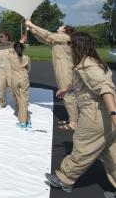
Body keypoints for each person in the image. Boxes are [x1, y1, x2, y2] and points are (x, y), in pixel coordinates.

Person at [45, 32, 116, 196]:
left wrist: (114, 115)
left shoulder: (88, 65)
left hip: (95, 115)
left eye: (71, 44)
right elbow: (83, 80)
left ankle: (64, 179)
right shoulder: (91, 62)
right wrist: (67, 88)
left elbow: (106, 89)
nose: (68, 47)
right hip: (103, 118)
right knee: (110, 154)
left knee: (83, 147)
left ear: (78, 46)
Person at [25, 20, 78, 131]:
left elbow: (48, 34)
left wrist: (33, 24)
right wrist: (32, 31)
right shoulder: (58, 39)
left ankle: (73, 122)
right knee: (66, 95)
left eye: (61, 26)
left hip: (65, 69)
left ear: (65, 30)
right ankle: (71, 118)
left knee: (68, 95)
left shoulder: (65, 37)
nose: (59, 26)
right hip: (61, 68)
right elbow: (43, 39)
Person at [9, 42, 31, 128]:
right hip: (24, 78)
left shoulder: (11, 57)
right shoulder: (27, 58)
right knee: (24, 100)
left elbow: (10, 49)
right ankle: (25, 119)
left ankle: (23, 120)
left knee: (18, 99)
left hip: (14, 79)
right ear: (23, 49)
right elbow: (29, 69)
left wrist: (20, 43)